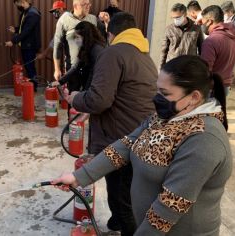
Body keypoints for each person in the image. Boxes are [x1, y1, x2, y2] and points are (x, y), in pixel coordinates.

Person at [53, 55, 232, 236]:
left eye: (165, 93)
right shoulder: (167, 117)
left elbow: (169, 206)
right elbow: (126, 145)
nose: (157, 98)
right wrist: (79, 177)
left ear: (194, 97)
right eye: (157, 90)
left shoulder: (204, 139)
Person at [63, 12, 158, 235]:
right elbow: (121, 96)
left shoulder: (113, 52)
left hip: (122, 139)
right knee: (126, 192)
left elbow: (98, 99)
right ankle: (116, 225)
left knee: (121, 199)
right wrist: (91, 113)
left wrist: (75, 98)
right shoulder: (143, 54)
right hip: (142, 135)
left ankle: (126, 228)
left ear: (111, 33)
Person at [52, 21, 105, 91]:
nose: (75, 40)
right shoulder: (86, 48)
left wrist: (84, 94)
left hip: (96, 89)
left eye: (77, 37)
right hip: (89, 89)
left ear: (86, 37)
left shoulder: (96, 50)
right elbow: (76, 67)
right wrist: (60, 82)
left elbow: (93, 74)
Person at [200, 5, 235, 95]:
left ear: (209, 22)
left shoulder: (211, 41)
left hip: (212, 89)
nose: (201, 25)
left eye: (202, 22)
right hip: (225, 87)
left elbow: (205, 70)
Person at [53, 0, 97, 81]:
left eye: (89, 4)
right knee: (72, 92)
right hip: (72, 69)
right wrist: (57, 69)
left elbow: (102, 39)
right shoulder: (64, 20)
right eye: (84, 4)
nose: (88, 6)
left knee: (88, 92)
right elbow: (57, 46)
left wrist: (106, 22)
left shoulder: (93, 19)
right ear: (75, 6)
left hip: (90, 67)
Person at [5, 0, 41, 92]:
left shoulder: (33, 14)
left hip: (30, 46)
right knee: (29, 67)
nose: (17, 6)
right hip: (26, 45)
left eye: (17, 4)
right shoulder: (26, 12)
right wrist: (16, 30)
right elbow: (23, 28)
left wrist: (13, 41)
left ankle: (33, 87)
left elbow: (26, 31)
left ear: (22, 2)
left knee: (30, 67)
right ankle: (31, 86)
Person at [160, 3, 203, 68]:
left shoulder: (196, 28)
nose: (175, 20)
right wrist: (160, 70)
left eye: (177, 17)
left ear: (185, 15)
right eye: (173, 18)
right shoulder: (169, 29)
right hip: (172, 67)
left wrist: (200, 67)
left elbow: (201, 49)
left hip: (189, 67)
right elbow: (163, 51)